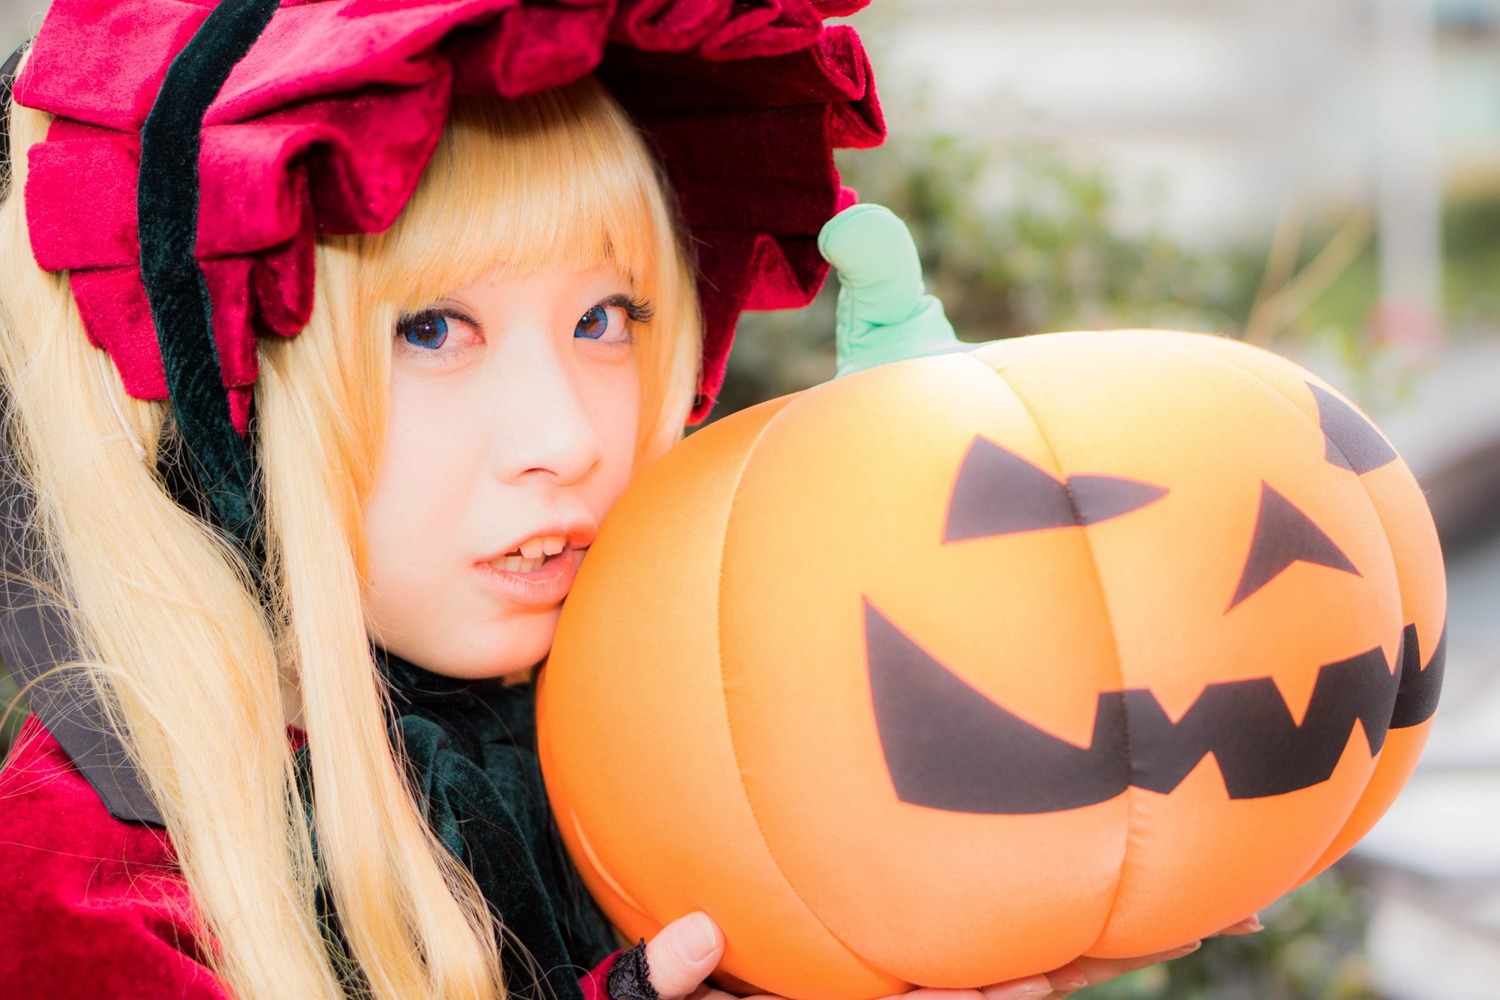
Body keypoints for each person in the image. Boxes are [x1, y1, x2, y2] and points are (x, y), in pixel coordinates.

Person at [0, 2, 1251, 998]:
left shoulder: (702, 726)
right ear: (223, 400)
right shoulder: (93, 874)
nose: (564, 438)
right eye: (432, 329)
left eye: (607, 320)